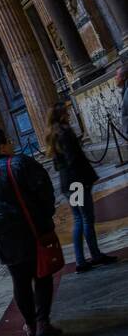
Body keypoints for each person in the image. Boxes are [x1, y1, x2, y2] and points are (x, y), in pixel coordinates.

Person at [0, 127, 64, 336]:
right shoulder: (22, 164)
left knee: (19, 281)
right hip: (31, 233)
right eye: (9, 141)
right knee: (41, 277)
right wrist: (44, 217)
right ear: (2, 146)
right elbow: (46, 192)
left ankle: (30, 324)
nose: (12, 144)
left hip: (5, 242)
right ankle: (43, 322)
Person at [47, 103, 117, 273]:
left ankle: (82, 259)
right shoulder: (65, 133)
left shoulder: (53, 135)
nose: (69, 114)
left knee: (80, 219)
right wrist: (86, 180)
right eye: (67, 112)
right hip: (77, 182)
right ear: (62, 114)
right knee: (85, 219)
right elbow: (74, 160)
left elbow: (58, 166)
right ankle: (93, 256)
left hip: (68, 183)